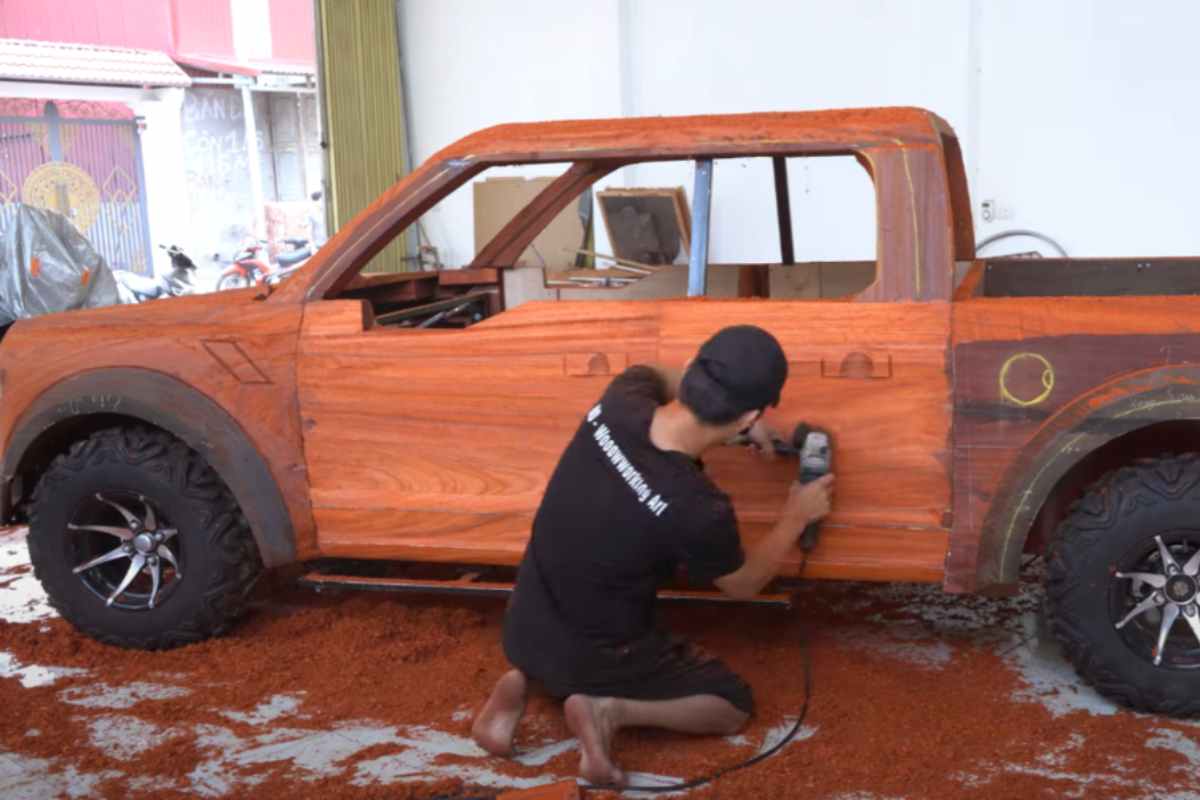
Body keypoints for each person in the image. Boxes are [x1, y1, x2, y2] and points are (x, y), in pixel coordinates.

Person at [471, 325, 835, 785]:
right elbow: (742, 586)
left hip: (523, 626)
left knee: (577, 601)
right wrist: (794, 518)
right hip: (597, 655)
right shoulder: (697, 508)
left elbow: (660, 376)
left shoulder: (619, 401)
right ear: (746, 418)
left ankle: (522, 686)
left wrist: (739, 419)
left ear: (690, 373)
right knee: (732, 704)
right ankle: (608, 711)